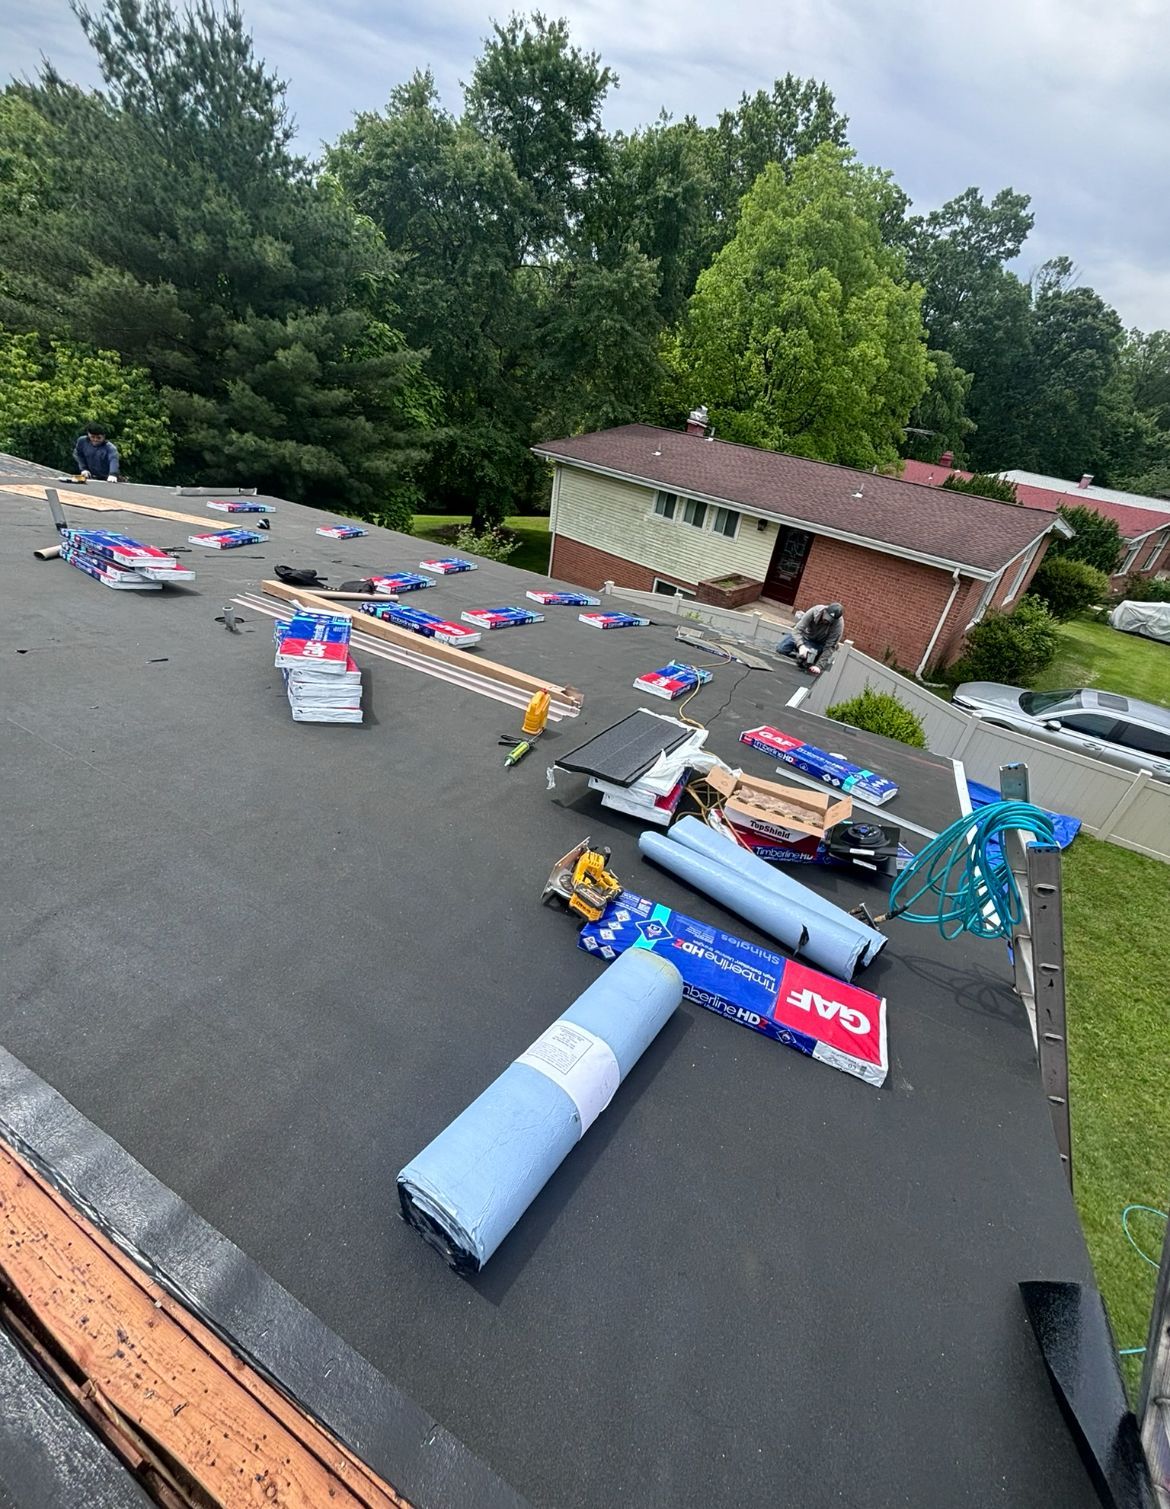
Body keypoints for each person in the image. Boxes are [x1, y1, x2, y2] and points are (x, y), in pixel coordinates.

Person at [777, 602, 844, 676]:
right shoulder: (814, 611)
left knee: (805, 661)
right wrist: (801, 646)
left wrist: (819, 666)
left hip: (818, 643)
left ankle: (805, 654)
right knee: (781, 649)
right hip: (805, 636)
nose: (826, 620)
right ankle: (801, 650)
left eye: (830, 620)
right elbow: (797, 630)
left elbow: (831, 646)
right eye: (826, 617)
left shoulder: (838, 624)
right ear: (825, 611)